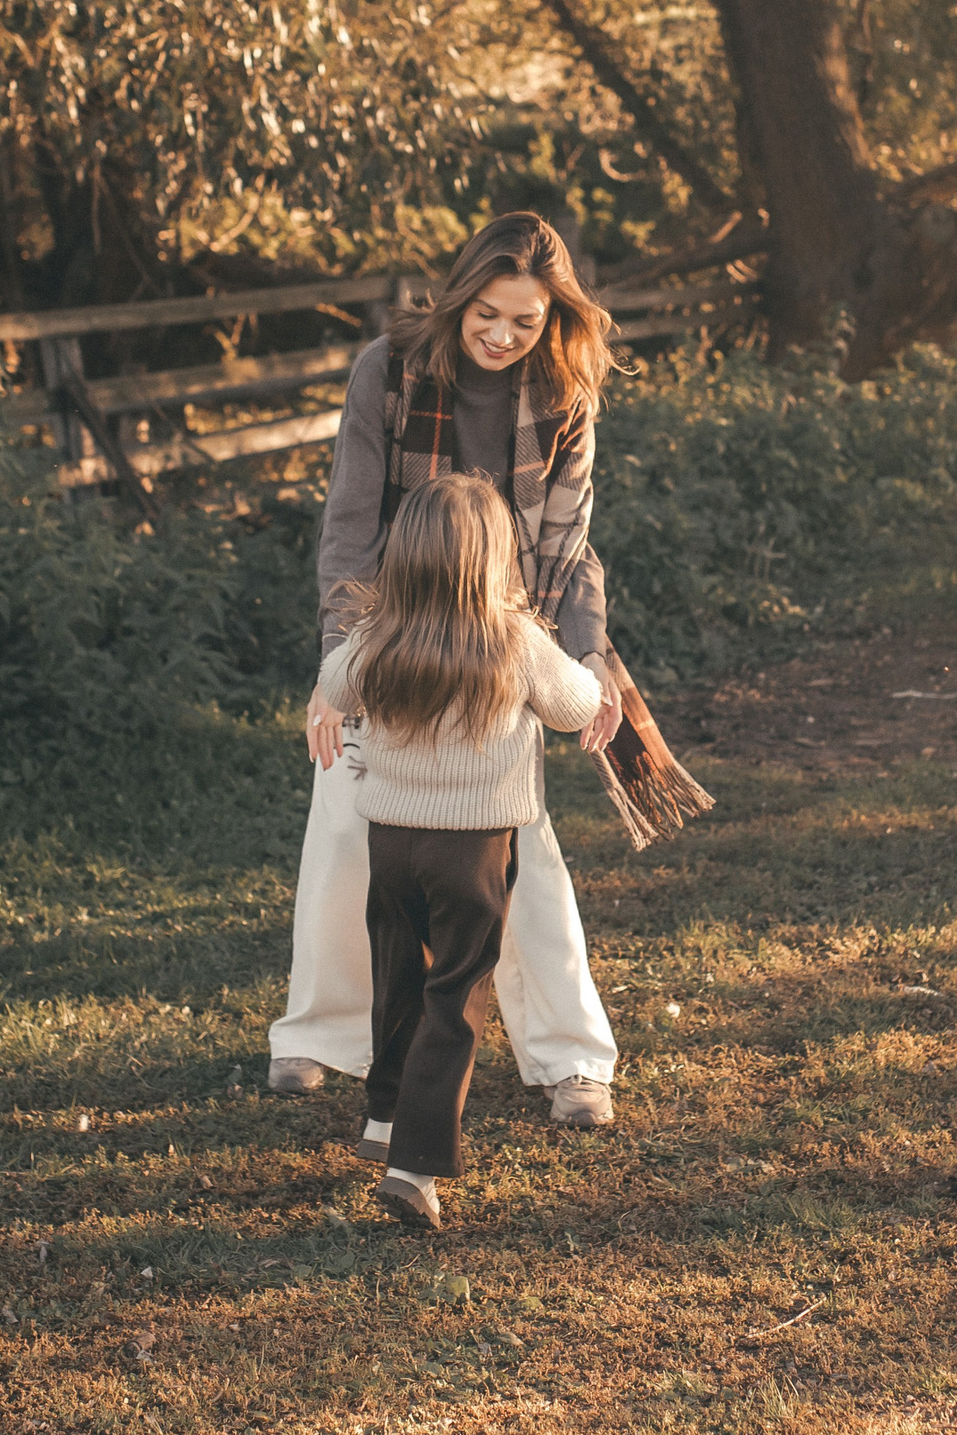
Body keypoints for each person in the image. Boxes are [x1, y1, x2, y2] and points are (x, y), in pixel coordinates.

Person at [267, 213, 710, 1124]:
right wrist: (338, 665)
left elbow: (568, 544)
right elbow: (351, 526)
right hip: (396, 630)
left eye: (527, 321)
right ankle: (319, 1035)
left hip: (507, 633)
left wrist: (577, 657)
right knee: (348, 827)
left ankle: (571, 1059)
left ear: (553, 320)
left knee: (520, 848)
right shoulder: (387, 372)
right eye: (490, 315)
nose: (505, 337)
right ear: (461, 294)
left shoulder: (563, 396)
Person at [315, 475, 605, 1229]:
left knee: (398, 975)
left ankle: (383, 1116)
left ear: (404, 559)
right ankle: (415, 1162)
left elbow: (333, 686)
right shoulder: (513, 641)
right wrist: (591, 674)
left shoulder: (378, 639)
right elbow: (574, 707)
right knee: (457, 997)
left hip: (393, 844)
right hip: (473, 850)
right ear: (493, 561)